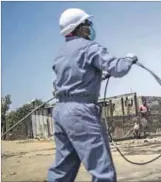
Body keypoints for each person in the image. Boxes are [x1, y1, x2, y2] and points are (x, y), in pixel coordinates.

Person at [48, 8, 138, 182]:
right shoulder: (89, 47)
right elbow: (118, 68)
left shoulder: (60, 53)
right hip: (81, 113)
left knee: (63, 168)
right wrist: (129, 59)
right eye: (87, 24)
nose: (90, 27)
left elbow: (73, 79)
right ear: (79, 28)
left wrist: (100, 76)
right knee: (102, 170)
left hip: (60, 111)